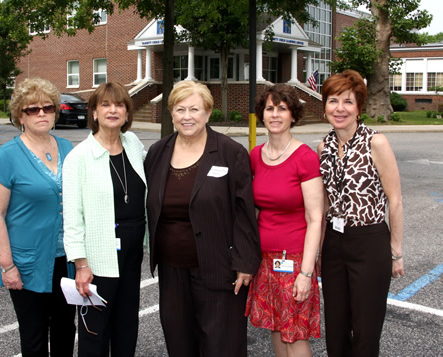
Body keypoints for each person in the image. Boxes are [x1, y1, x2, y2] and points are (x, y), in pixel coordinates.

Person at [145, 81, 261, 357]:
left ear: (208, 113)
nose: (187, 116)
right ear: (171, 114)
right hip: (172, 270)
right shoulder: (158, 153)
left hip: (220, 268)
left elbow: (246, 213)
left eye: (194, 109)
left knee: (221, 344)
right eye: (180, 109)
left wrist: (245, 262)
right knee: (179, 341)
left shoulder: (230, 152)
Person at [317, 69, 405, 357]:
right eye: (333, 101)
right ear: (325, 105)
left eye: (347, 102)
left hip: (369, 242)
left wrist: (396, 252)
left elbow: (395, 200)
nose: (339, 109)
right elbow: (326, 204)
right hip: (334, 243)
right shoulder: (324, 147)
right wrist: (318, 251)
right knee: (336, 327)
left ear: (359, 107)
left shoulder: (375, 142)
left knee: (365, 332)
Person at [0, 77, 75, 356]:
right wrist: (6, 265)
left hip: (66, 259)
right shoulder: (7, 155)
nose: (41, 114)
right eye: (32, 109)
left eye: (48, 108)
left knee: (64, 328)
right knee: (35, 335)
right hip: (27, 262)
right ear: (19, 115)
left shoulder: (67, 148)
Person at [63, 81, 147, 357]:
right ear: (94, 112)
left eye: (120, 104)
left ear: (127, 112)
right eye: (106, 104)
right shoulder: (79, 157)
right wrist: (81, 264)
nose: (113, 110)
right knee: (95, 332)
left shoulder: (132, 144)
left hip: (132, 253)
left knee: (126, 326)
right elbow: (72, 218)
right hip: (98, 257)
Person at [245, 84, 324, 357]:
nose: (275, 115)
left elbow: (315, 218)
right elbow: (253, 210)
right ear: (261, 114)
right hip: (265, 260)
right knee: (276, 328)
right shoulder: (255, 156)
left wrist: (306, 272)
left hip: (295, 261)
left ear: (293, 115)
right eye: (269, 108)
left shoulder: (305, 158)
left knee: (296, 334)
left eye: (282, 108)